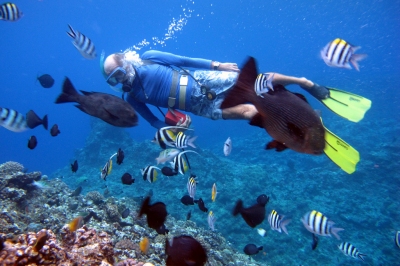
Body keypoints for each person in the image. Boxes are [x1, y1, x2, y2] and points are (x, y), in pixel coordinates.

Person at [101, 50, 371, 129]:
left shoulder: (148, 56)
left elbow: (183, 60)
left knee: (258, 82)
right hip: (199, 107)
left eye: (118, 73)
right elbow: (154, 122)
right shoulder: (131, 97)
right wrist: (171, 128)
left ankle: (305, 83)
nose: (120, 81)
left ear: (126, 63)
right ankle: (293, 118)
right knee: (247, 113)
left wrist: (217, 65)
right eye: (113, 81)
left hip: (203, 81)